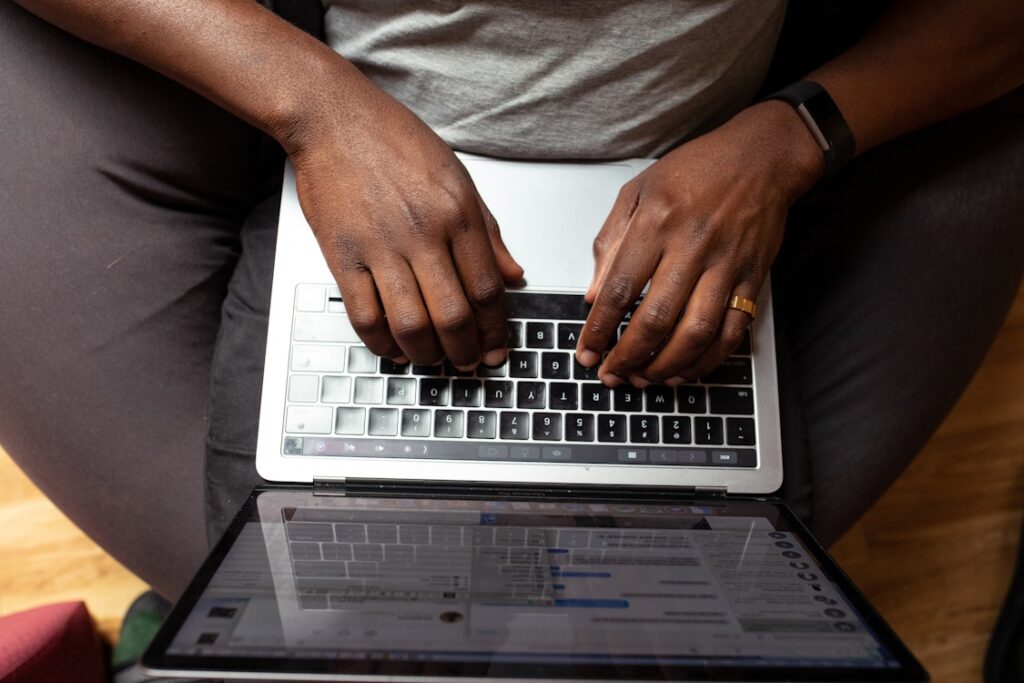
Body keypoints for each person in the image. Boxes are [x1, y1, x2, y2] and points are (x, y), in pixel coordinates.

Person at [1, 0, 1021, 601]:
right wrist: (317, 110)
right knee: (310, 601)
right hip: (343, 117)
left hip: (717, 149)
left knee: (685, 607)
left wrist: (796, 137)